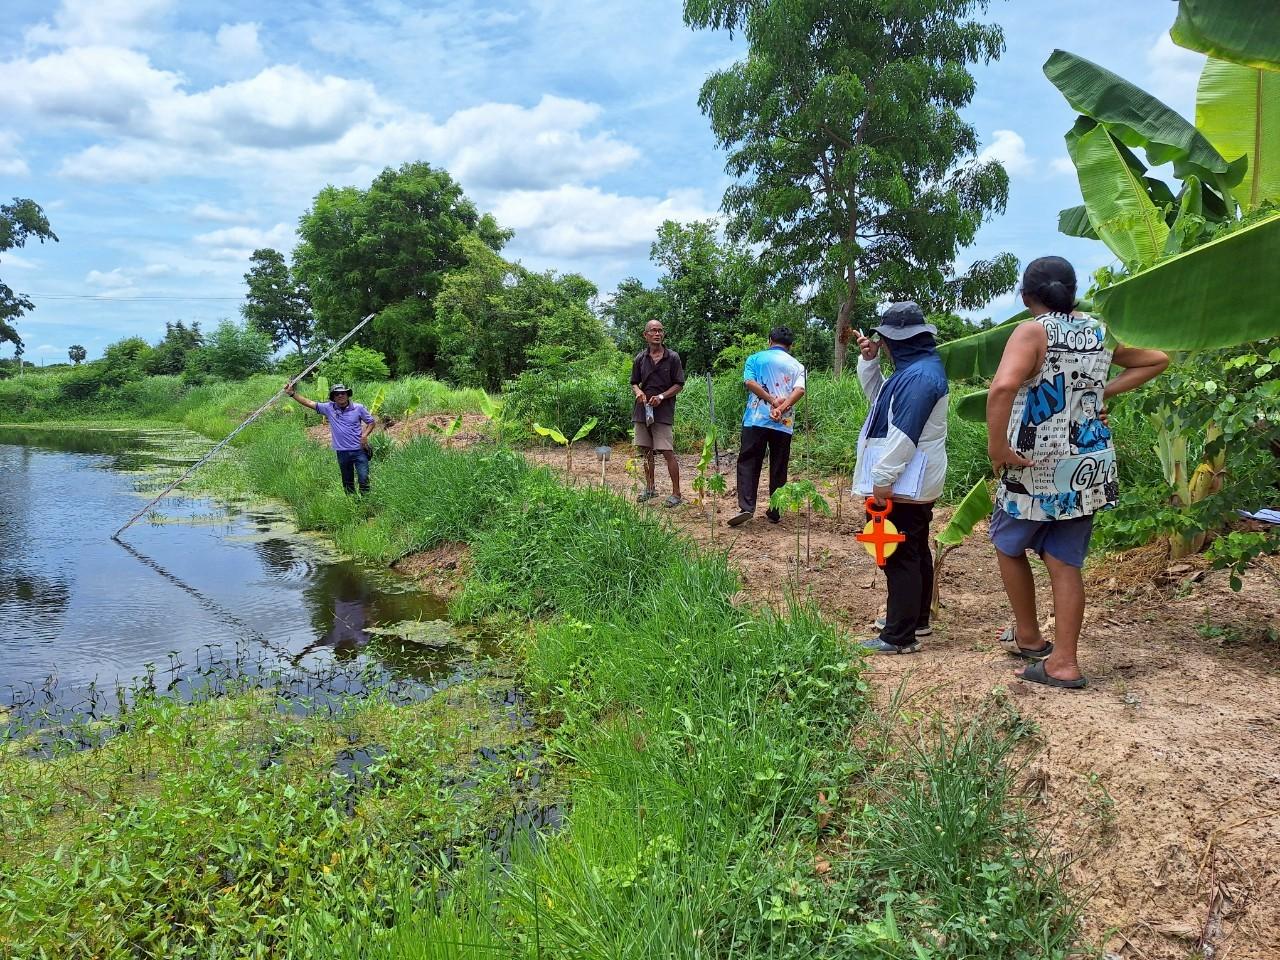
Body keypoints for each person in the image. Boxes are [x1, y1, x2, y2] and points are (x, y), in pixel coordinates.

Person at [987, 256, 1168, 688]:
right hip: (1087, 463)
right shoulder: (1099, 330)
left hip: (1035, 462)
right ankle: (1064, 662)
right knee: (1065, 560)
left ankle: (1029, 637)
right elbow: (1156, 359)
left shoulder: (1032, 331)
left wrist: (998, 447)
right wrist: (1100, 393)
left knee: (1007, 542)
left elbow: (1003, 386)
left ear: (1027, 296)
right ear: (1072, 292)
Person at [851, 302, 950, 654]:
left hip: (907, 479)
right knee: (914, 548)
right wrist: (869, 361)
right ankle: (916, 620)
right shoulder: (916, 370)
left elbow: (904, 433)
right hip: (915, 477)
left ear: (897, 340)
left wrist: (883, 477)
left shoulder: (919, 376)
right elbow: (881, 401)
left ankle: (898, 636)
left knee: (900, 554)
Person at [727, 327, 807, 526]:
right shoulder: (798, 366)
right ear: (791, 346)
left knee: (749, 461)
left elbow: (749, 382)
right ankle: (775, 510)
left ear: (770, 340)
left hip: (756, 419)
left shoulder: (755, 358)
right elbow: (800, 390)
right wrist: (782, 407)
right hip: (783, 423)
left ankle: (746, 507)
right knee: (779, 465)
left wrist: (771, 400)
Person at [284, 381, 376, 494]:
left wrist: (365, 435)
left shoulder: (358, 408)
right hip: (342, 452)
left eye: (343, 393)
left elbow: (371, 422)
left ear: (347, 394)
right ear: (333, 397)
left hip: (359, 450)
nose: (340, 395)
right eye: (337, 394)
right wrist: (292, 393)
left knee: (363, 479)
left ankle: (366, 502)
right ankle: (353, 502)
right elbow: (308, 402)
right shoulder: (328, 408)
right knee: (347, 482)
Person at [630, 319, 685, 507]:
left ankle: (676, 493)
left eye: (660, 330)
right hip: (642, 409)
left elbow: (679, 384)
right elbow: (634, 382)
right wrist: (639, 392)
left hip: (663, 411)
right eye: (653, 331)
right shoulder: (640, 358)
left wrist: (661, 396)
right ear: (645, 335)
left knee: (667, 451)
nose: (657, 334)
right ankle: (650, 488)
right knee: (646, 451)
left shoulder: (673, 357)